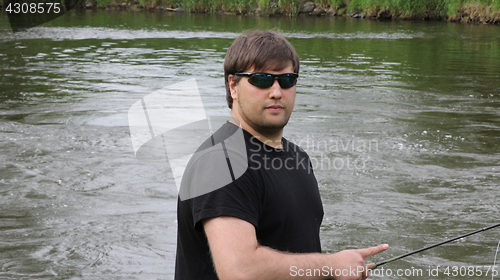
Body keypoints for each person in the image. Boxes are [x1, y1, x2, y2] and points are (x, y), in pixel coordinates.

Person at [174, 30, 388, 280]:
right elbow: (239, 270)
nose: (276, 91)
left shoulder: (298, 158)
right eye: (262, 79)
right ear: (233, 85)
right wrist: (331, 265)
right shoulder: (221, 162)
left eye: (286, 80)